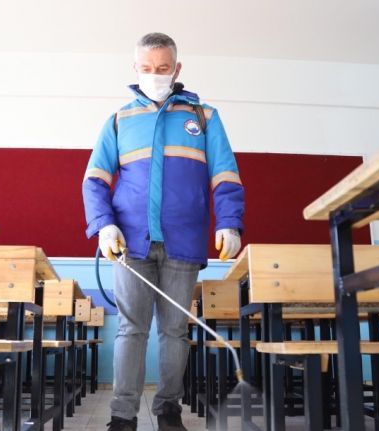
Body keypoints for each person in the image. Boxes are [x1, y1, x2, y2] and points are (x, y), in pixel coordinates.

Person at [82, 32, 245, 431]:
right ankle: (122, 416)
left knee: (174, 331)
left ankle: (168, 410)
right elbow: (94, 180)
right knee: (131, 330)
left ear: (177, 68)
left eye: (163, 68)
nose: (154, 74)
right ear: (135, 68)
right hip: (129, 242)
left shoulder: (204, 117)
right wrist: (104, 226)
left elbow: (225, 175)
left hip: (183, 240)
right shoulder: (120, 120)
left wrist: (229, 222)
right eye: (146, 68)